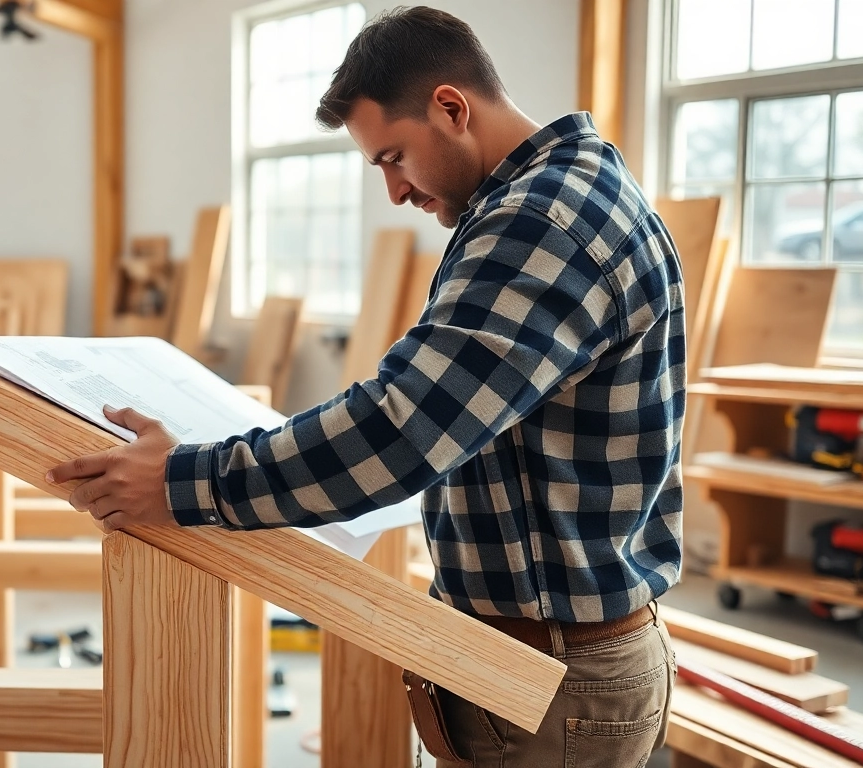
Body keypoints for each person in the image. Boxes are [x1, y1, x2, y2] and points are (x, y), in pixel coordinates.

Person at [48, 6, 684, 766]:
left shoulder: (544, 222)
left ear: (452, 107)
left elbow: (401, 431)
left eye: (394, 157)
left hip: (550, 675)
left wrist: (185, 482)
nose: (394, 191)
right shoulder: (563, 195)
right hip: (548, 655)